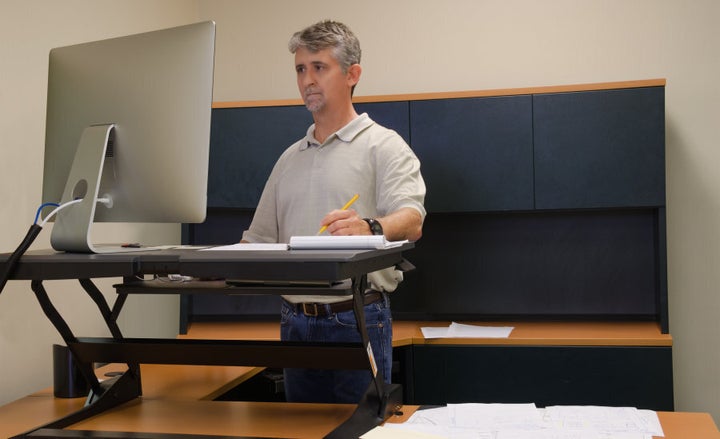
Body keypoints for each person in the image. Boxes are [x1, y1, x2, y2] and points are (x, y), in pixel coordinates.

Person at [241, 20, 426, 404]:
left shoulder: (384, 146)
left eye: (319, 67)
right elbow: (255, 241)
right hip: (294, 322)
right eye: (300, 69)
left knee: (359, 430)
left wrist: (369, 227)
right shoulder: (289, 159)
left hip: (356, 317)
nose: (307, 80)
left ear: (352, 74)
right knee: (302, 431)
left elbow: (412, 220)